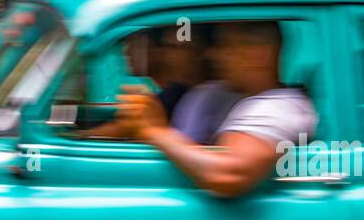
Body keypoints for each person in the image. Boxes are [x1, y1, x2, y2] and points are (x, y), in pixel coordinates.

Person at [114, 21, 316, 198]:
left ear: (259, 55)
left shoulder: (276, 107)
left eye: (224, 46)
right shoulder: (236, 97)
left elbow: (229, 174)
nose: (212, 54)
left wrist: (155, 130)